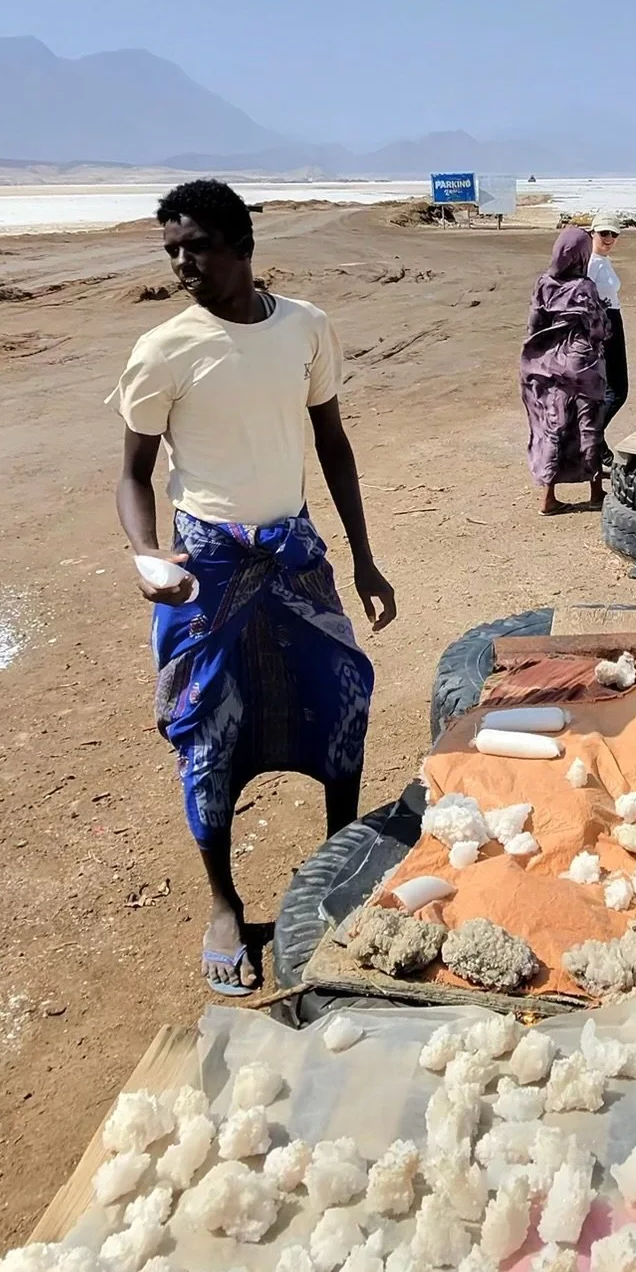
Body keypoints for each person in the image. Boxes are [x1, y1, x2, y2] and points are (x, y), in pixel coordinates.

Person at [111, 178, 396, 995]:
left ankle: (341, 868)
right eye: (170, 247)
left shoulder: (306, 329)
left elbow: (332, 445)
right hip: (206, 571)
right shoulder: (163, 350)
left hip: (295, 552)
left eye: (194, 244)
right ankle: (225, 904)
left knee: (342, 699)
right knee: (209, 732)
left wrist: (365, 557)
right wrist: (145, 553)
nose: (179, 262)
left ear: (241, 245)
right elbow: (132, 473)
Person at [520, 224, 611, 515]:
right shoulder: (584, 288)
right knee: (589, 425)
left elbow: (534, 325)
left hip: (550, 365)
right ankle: (596, 491)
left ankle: (548, 497)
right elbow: (599, 330)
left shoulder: (544, 283)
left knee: (554, 426)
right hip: (583, 363)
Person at [588, 215, 629, 431]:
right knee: (617, 391)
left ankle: (593, 442)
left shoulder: (603, 260)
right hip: (604, 325)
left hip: (613, 320)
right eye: (604, 233)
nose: (609, 238)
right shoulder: (591, 263)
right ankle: (591, 438)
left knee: (609, 390)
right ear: (592, 233)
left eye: (614, 234)